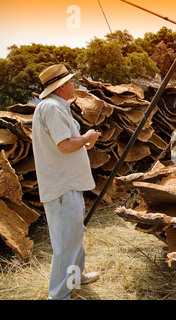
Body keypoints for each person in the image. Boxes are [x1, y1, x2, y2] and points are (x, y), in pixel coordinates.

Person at [32, 64, 101, 300]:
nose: (75, 85)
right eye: (72, 82)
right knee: (65, 244)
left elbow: (67, 143)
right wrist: (87, 137)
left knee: (73, 237)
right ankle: (59, 295)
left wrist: (82, 141)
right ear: (61, 87)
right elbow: (65, 145)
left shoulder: (55, 106)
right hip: (63, 187)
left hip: (68, 184)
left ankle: (76, 277)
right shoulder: (51, 107)